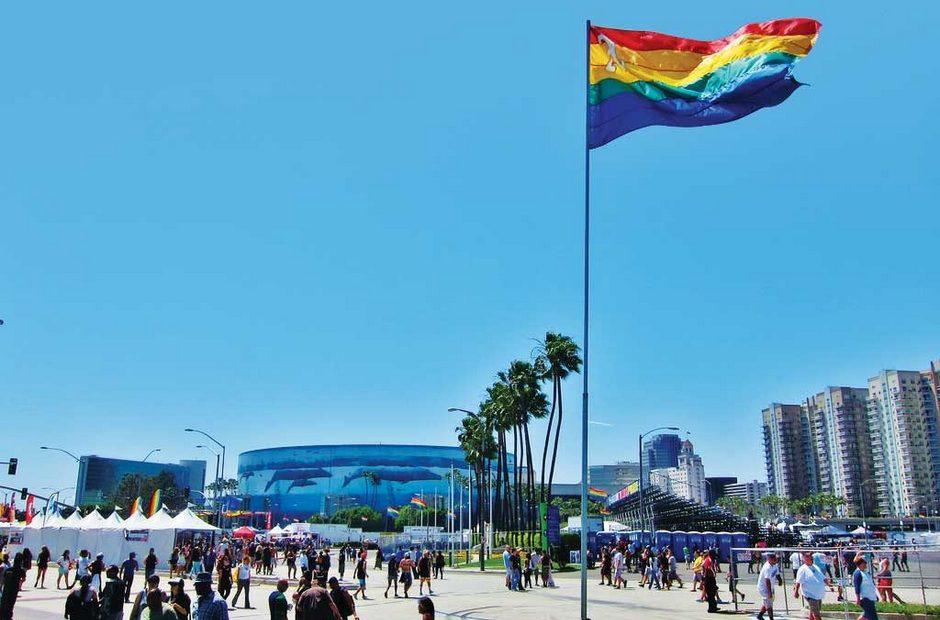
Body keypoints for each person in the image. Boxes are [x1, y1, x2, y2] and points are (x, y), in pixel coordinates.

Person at [794, 552, 828, 620]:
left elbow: (823, 577)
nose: (811, 559)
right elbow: (798, 582)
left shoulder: (816, 566)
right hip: (810, 594)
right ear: (804, 559)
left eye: (811, 557)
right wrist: (796, 592)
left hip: (818, 594)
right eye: (808, 557)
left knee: (813, 612)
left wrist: (829, 585)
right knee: (816, 615)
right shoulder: (802, 569)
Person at [0, 553, 25, 620]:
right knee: (11, 602)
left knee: (4, 601)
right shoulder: (21, 571)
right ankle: (8, 615)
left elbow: (4, 579)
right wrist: (20, 583)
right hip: (14, 589)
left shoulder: (9, 569)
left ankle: (2, 614)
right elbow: (23, 579)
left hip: (6, 589)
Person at [854, 556, 880, 620]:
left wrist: (875, 595)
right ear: (860, 564)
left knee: (866, 615)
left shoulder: (866, 573)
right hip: (865, 598)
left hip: (870, 597)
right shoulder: (858, 573)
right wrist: (858, 599)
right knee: (873, 617)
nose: (866, 564)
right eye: (864, 563)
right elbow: (857, 587)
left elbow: (870, 585)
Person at [757, 553, 781, 620]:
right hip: (764, 587)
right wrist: (769, 592)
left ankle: (759, 615)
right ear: (769, 559)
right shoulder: (767, 567)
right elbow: (767, 580)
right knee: (769, 604)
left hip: (771, 586)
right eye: (774, 559)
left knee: (768, 602)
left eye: (775, 559)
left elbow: (777, 574)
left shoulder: (775, 565)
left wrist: (780, 580)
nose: (775, 560)